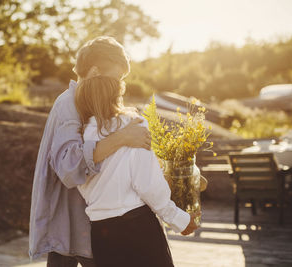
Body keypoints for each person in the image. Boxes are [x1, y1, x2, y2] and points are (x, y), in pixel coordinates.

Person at [74, 36, 200, 267]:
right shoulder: (133, 125)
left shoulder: (82, 136)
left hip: (101, 235)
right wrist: (180, 220)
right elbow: (148, 184)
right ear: (117, 91)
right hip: (137, 231)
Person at [28, 36, 152, 267]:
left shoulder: (89, 101)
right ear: (95, 72)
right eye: (116, 78)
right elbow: (68, 165)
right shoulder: (70, 103)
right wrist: (123, 137)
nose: (118, 87)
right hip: (75, 220)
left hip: (85, 221)